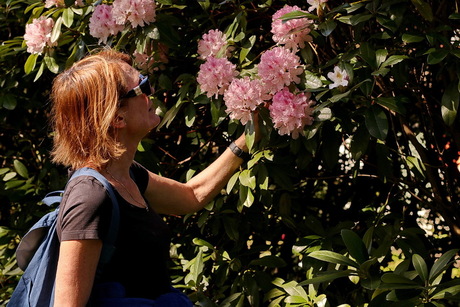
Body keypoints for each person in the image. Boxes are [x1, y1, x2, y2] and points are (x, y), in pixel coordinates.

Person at [50, 49, 254, 306]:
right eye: (142, 86)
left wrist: (248, 138)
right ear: (116, 116)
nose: (151, 94)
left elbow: (191, 196)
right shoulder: (89, 196)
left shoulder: (127, 174)